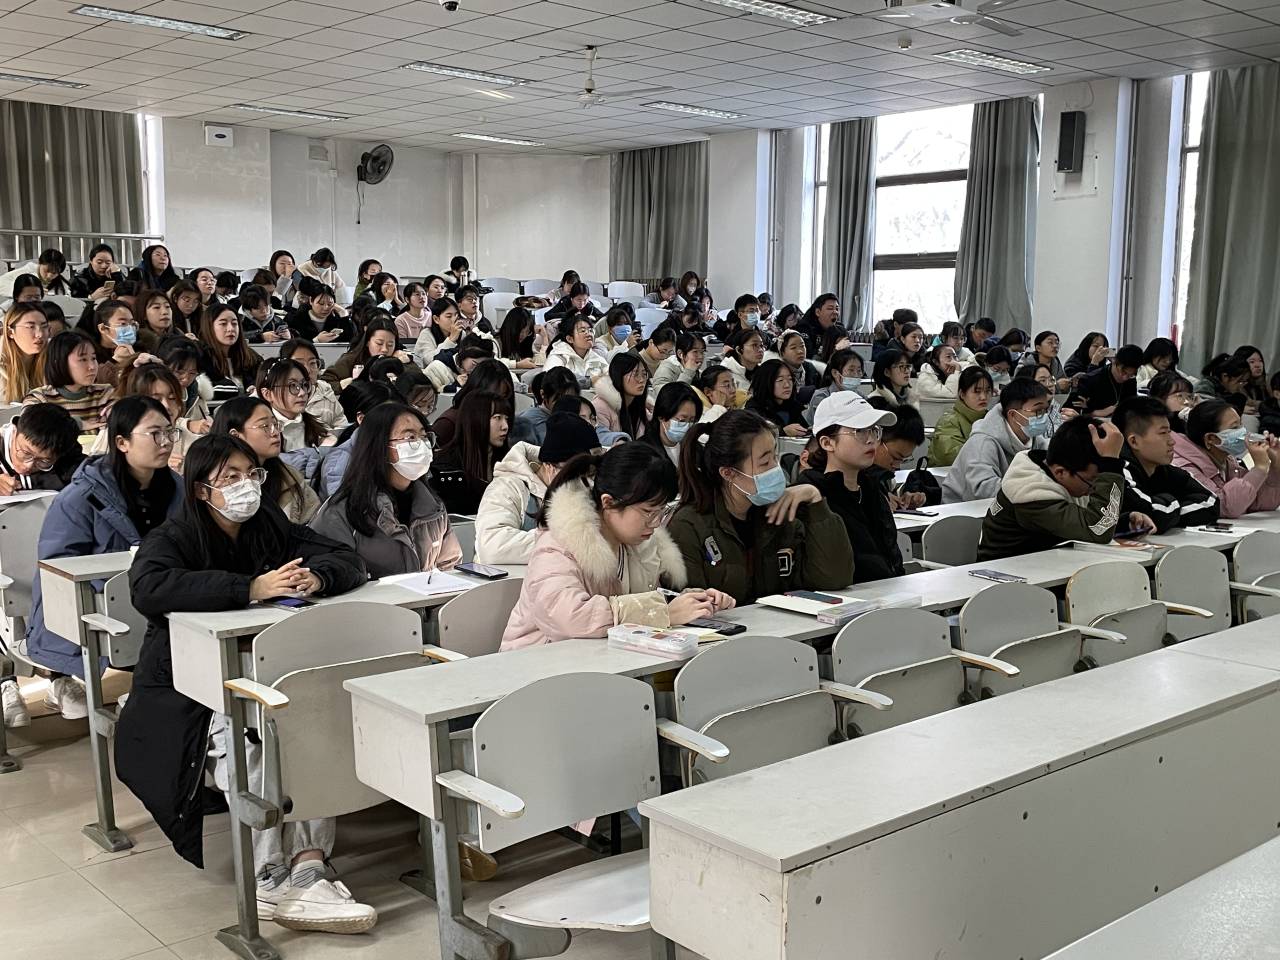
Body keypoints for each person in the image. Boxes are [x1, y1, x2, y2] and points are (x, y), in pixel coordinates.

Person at [115, 434, 375, 932]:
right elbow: (148, 588)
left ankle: (309, 865)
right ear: (201, 490)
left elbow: (344, 557)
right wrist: (249, 588)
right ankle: (269, 874)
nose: (246, 486)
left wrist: (317, 578)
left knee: (310, 722)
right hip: (190, 691)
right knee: (253, 739)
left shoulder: (268, 526)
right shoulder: (173, 538)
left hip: (265, 673)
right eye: (230, 477)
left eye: (252, 474)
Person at [24, 397, 184, 716]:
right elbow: (58, 571)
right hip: (102, 605)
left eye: (170, 432)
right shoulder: (80, 498)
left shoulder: (177, 488)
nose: (166, 442)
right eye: (155, 433)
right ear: (122, 442)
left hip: (160, 599)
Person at [501, 442, 731, 649]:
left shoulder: (634, 543)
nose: (655, 523)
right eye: (648, 512)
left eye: (662, 512)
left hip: (598, 663)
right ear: (608, 502)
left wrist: (691, 603)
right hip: (536, 667)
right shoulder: (557, 546)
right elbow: (569, 618)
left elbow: (643, 599)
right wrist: (662, 612)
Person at [668, 410, 854, 604]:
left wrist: (815, 500)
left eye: (775, 457)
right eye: (765, 462)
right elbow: (691, 605)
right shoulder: (690, 526)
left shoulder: (782, 512)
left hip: (783, 622)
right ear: (728, 473)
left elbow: (834, 578)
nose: (776, 468)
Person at [310, 402, 461, 576]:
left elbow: (450, 564)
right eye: (410, 437)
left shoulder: (432, 505)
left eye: (424, 436)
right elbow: (330, 572)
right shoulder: (341, 512)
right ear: (380, 446)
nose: (422, 444)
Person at [977, 417, 1155, 561]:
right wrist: (1111, 466)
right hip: (1005, 582)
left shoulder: (1067, 472)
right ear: (1061, 472)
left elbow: (1078, 522)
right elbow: (1096, 531)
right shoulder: (1030, 493)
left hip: (1045, 568)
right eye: (1092, 482)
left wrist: (1123, 522)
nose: (1093, 490)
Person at [799, 392, 903, 583]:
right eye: (860, 431)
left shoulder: (873, 489)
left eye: (874, 430)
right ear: (827, 443)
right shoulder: (812, 498)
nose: (871, 439)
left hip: (888, 592)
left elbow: (891, 556)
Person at [474, 410, 602, 564]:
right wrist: (569, 538)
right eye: (578, 475)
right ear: (549, 467)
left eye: (592, 474)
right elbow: (492, 545)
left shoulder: (591, 488)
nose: (587, 484)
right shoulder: (508, 487)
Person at [1113, 397, 1219, 533]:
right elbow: (1148, 512)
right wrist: (1171, 503)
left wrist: (1170, 510)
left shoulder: (1163, 469)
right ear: (1134, 441)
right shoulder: (1117, 469)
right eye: (1163, 433)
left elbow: (1211, 502)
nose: (1171, 441)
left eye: (1169, 432)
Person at [941, 378, 1051, 503]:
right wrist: (1035, 489)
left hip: (1009, 507)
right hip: (963, 510)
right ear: (1013, 415)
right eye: (1038, 411)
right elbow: (982, 489)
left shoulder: (1035, 439)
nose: (1044, 416)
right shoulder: (982, 442)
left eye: (1046, 410)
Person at [212, 396, 320, 523]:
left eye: (275, 424)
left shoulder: (289, 476)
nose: (275, 433)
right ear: (235, 436)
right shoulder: (217, 484)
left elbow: (315, 521)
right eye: (265, 426)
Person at [1172, 399, 1280, 518]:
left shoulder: (1228, 461)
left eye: (1241, 425)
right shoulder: (1185, 468)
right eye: (1235, 427)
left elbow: (1261, 503)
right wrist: (1259, 468)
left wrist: (1276, 466)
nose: (1244, 432)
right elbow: (1224, 507)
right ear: (1211, 438)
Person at [102, 362, 199, 471]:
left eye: (172, 398)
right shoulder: (113, 435)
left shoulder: (191, 442)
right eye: (156, 400)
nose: (166, 406)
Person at [429, 390, 511, 515]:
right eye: (497, 418)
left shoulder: (510, 461)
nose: (505, 426)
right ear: (476, 420)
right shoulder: (444, 470)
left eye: (506, 419)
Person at [255, 357, 334, 480]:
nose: (302, 393)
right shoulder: (259, 432)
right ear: (267, 394)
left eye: (304, 385)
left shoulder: (316, 427)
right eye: (292, 386)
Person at [23, 330, 115, 433]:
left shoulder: (105, 393)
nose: (92, 366)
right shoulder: (40, 397)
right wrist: (76, 424)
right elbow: (28, 425)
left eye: (93, 358)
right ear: (59, 362)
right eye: (83, 359)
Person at [318, 381, 397, 498]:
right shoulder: (341, 461)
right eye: (386, 417)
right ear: (361, 418)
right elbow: (342, 506)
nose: (394, 423)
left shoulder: (395, 446)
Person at [430, 357, 514, 448]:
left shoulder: (502, 425)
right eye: (492, 396)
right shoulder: (448, 424)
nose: (500, 402)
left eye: (503, 397)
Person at [0, 402, 82, 494]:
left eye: (44, 461)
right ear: (14, 432)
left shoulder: (70, 459)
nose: (28, 466)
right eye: (26, 453)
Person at [863, 402, 928, 510]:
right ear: (876, 437)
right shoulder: (850, 476)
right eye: (895, 457)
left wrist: (901, 501)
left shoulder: (884, 478)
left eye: (903, 460)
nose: (897, 466)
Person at [928, 366, 994, 467]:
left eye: (987, 391)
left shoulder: (992, 418)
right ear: (962, 394)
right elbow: (950, 456)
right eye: (977, 391)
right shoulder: (949, 421)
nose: (983, 397)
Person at [77, 298, 148, 388]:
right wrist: (115, 361)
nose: (130, 328)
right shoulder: (90, 354)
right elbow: (93, 384)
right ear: (103, 328)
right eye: (123, 324)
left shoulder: (141, 349)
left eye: (132, 323)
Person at [197, 303, 261, 402]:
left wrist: (254, 387)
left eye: (234, 323)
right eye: (223, 324)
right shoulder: (199, 356)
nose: (231, 329)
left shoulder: (250, 355)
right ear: (209, 327)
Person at [323, 319, 415, 389]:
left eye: (390, 345)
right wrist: (346, 384)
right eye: (379, 343)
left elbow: (417, 382)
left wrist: (403, 363)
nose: (385, 349)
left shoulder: (400, 358)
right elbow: (324, 383)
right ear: (367, 342)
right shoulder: (351, 359)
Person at [278, 339, 345, 432]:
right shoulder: (275, 394)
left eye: (312, 363)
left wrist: (334, 437)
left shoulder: (324, 389)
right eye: (299, 364)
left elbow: (340, 422)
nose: (308, 370)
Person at [1065, 344, 1141, 417]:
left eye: (1131, 375)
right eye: (1123, 372)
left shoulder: (1131, 381)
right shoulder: (1090, 380)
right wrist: (1094, 413)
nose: (1125, 378)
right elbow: (1069, 412)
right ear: (1114, 361)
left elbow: (1131, 408)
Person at [592, 352, 651, 440]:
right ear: (618, 375)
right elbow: (599, 438)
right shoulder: (600, 406)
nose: (641, 380)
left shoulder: (640, 405)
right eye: (635, 374)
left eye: (644, 374)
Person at [512, 368, 579, 445]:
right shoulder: (526, 424)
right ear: (543, 394)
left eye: (571, 399)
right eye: (559, 399)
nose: (566, 405)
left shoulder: (577, 417)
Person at [641, 382, 701, 466]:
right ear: (661, 416)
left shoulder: (695, 449)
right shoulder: (643, 452)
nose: (687, 426)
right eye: (682, 420)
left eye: (692, 421)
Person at [159, 337, 212, 430]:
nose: (186, 379)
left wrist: (208, 422)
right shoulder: (155, 393)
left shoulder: (196, 392)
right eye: (179, 372)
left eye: (192, 373)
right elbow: (157, 420)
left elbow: (205, 415)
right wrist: (188, 425)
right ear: (164, 368)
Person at [745, 359, 808, 436]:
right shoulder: (753, 410)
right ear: (766, 382)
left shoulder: (795, 407)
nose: (787, 385)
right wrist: (782, 431)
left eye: (790, 379)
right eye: (780, 380)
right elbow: (755, 433)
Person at [0, 302, 49, 403]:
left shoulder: (53, 359)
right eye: (30, 327)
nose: (39, 334)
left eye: (44, 326)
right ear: (10, 332)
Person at [543, 314, 608, 383]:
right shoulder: (559, 357)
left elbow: (610, 377)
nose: (589, 334)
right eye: (583, 331)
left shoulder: (597, 358)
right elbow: (550, 381)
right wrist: (589, 382)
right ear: (570, 339)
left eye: (590, 330)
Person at [804, 348, 865, 423]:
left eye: (859, 370)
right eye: (851, 370)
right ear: (835, 373)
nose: (856, 375)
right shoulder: (822, 397)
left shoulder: (861, 396)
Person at [0, 248, 70, 298]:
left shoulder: (61, 284)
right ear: (39, 263)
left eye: (54, 273)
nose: (49, 276)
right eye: (46, 270)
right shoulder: (27, 272)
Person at [775, 329, 820, 399]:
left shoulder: (810, 368)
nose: (800, 351)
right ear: (782, 353)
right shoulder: (777, 373)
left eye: (802, 346)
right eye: (793, 348)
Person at [720, 328, 764, 394]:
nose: (760, 350)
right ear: (739, 350)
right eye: (754, 345)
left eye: (761, 345)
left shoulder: (763, 371)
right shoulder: (724, 373)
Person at [495, 306, 539, 371]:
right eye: (521, 331)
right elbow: (493, 363)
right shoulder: (496, 343)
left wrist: (544, 337)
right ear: (511, 327)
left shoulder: (524, 342)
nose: (524, 335)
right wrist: (517, 364)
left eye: (527, 331)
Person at [1233, 345, 1268, 410]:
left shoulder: (1266, 383)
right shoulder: (1234, 386)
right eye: (1252, 362)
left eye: (1260, 361)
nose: (1258, 365)